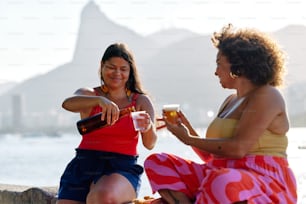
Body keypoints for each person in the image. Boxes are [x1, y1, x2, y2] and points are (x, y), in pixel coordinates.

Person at [144, 24, 297, 204]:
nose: (216, 72)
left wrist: (188, 139)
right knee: (158, 162)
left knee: (221, 181)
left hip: (262, 180)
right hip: (218, 174)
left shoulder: (267, 95)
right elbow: (213, 157)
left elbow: (238, 149)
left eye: (219, 64)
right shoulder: (230, 101)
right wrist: (188, 131)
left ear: (237, 66)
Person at [56, 43, 158, 204]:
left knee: (101, 197)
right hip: (84, 164)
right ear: (102, 66)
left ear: (130, 72)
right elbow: (67, 104)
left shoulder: (140, 101)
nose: (117, 73)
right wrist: (99, 100)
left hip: (121, 167)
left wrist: (148, 127)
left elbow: (150, 144)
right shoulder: (90, 95)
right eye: (111, 67)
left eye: (123, 69)